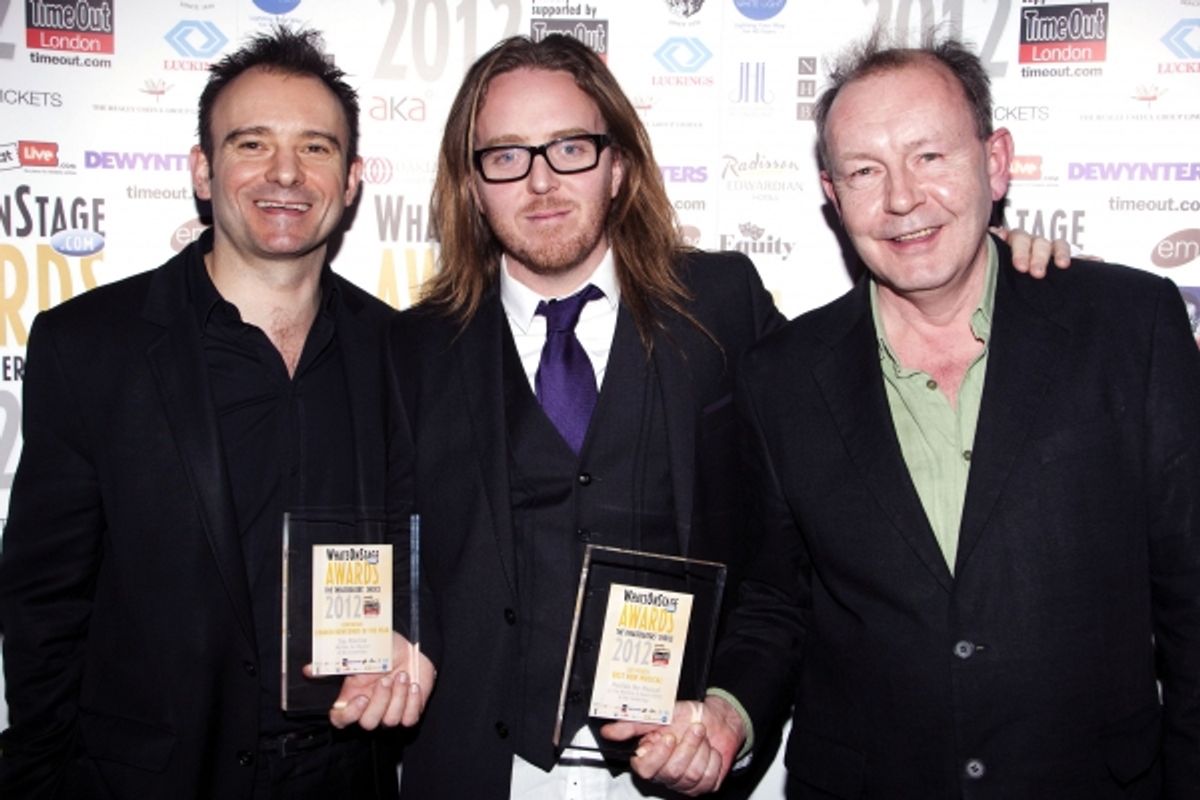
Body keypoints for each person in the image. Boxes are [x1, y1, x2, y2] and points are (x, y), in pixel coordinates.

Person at [387, 33, 1067, 800]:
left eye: (571, 147)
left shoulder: (722, 303)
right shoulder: (410, 351)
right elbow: (384, 545)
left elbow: (847, 415)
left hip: (681, 759)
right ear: (471, 183)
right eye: (506, 156)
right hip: (486, 767)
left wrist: (995, 267)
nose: (542, 181)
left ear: (618, 166)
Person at [612, 30, 1200, 799]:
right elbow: (776, 602)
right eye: (865, 171)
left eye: (930, 157)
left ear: (995, 162)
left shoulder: (1128, 326)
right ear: (831, 192)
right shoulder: (781, 375)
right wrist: (728, 713)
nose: (900, 198)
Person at [0, 27, 431, 800]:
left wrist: (413, 635)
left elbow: (430, 541)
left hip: (346, 772)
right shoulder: (90, 346)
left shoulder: (401, 349)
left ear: (354, 177)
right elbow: (43, 603)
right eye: (252, 144)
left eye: (317, 148)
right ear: (203, 171)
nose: (286, 173)